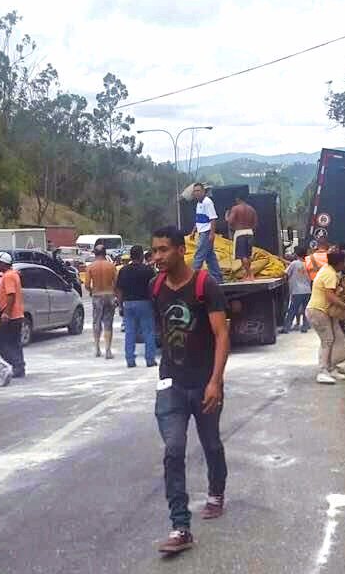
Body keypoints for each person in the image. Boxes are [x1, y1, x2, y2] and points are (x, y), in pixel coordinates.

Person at [149, 226, 230, 554]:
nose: (158, 256)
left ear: (182, 250)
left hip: (204, 382)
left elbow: (222, 335)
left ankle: (216, 493)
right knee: (173, 448)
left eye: (164, 250)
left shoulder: (204, 285)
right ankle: (180, 526)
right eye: (154, 250)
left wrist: (215, 381)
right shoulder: (155, 287)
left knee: (211, 443)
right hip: (171, 382)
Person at [305, 249, 345, 385]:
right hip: (318, 311)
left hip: (323, 311)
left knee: (336, 338)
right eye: (344, 262)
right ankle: (322, 372)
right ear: (340, 263)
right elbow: (330, 296)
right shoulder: (330, 274)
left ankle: (332, 368)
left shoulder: (327, 270)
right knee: (327, 341)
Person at [115, 244, 157, 368]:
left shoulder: (123, 270)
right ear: (141, 256)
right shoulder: (148, 270)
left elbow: (119, 289)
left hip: (128, 304)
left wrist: (121, 305)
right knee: (148, 332)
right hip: (145, 303)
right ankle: (150, 360)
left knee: (130, 332)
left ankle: (130, 360)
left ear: (131, 256)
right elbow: (154, 287)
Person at [0, 252, 26, 377]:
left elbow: (11, 295)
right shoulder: (12, 275)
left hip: (11, 316)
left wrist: (6, 313)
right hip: (16, 315)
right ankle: (19, 366)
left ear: (3, 264)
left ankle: (16, 365)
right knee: (14, 343)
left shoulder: (8, 277)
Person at [86, 245, 118, 360]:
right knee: (108, 323)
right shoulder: (111, 266)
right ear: (105, 253)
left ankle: (97, 349)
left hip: (97, 295)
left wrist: (91, 291)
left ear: (95, 253)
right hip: (109, 295)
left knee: (96, 322)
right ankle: (108, 350)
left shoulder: (90, 267)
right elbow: (116, 283)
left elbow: (86, 284)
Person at [190, 183, 224, 283]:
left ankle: (191, 278)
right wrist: (193, 232)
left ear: (203, 192)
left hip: (206, 232)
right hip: (201, 231)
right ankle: (218, 278)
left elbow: (213, 218)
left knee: (199, 254)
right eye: (195, 191)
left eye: (198, 191)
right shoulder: (198, 203)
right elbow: (198, 219)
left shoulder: (207, 202)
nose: (196, 193)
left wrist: (212, 234)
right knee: (210, 257)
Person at [226, 194, 258, 281]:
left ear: (237, 199)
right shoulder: (252, 209)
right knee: (248, 255)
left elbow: (230, 221)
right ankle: (247, 275)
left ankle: (250, 274)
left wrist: (227, 217)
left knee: (242, 255)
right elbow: (255, 223)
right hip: (250, 232)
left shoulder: (235, 208)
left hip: (240, 233)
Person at [281, 245, 312, 334]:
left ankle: (286, 328)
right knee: (305, 310)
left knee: (292, 310)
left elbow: (285, 274)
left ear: (296, 254)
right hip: (307, 290)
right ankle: (305, 327)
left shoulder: (294, 263)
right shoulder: (308, 264)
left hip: (297, 291)